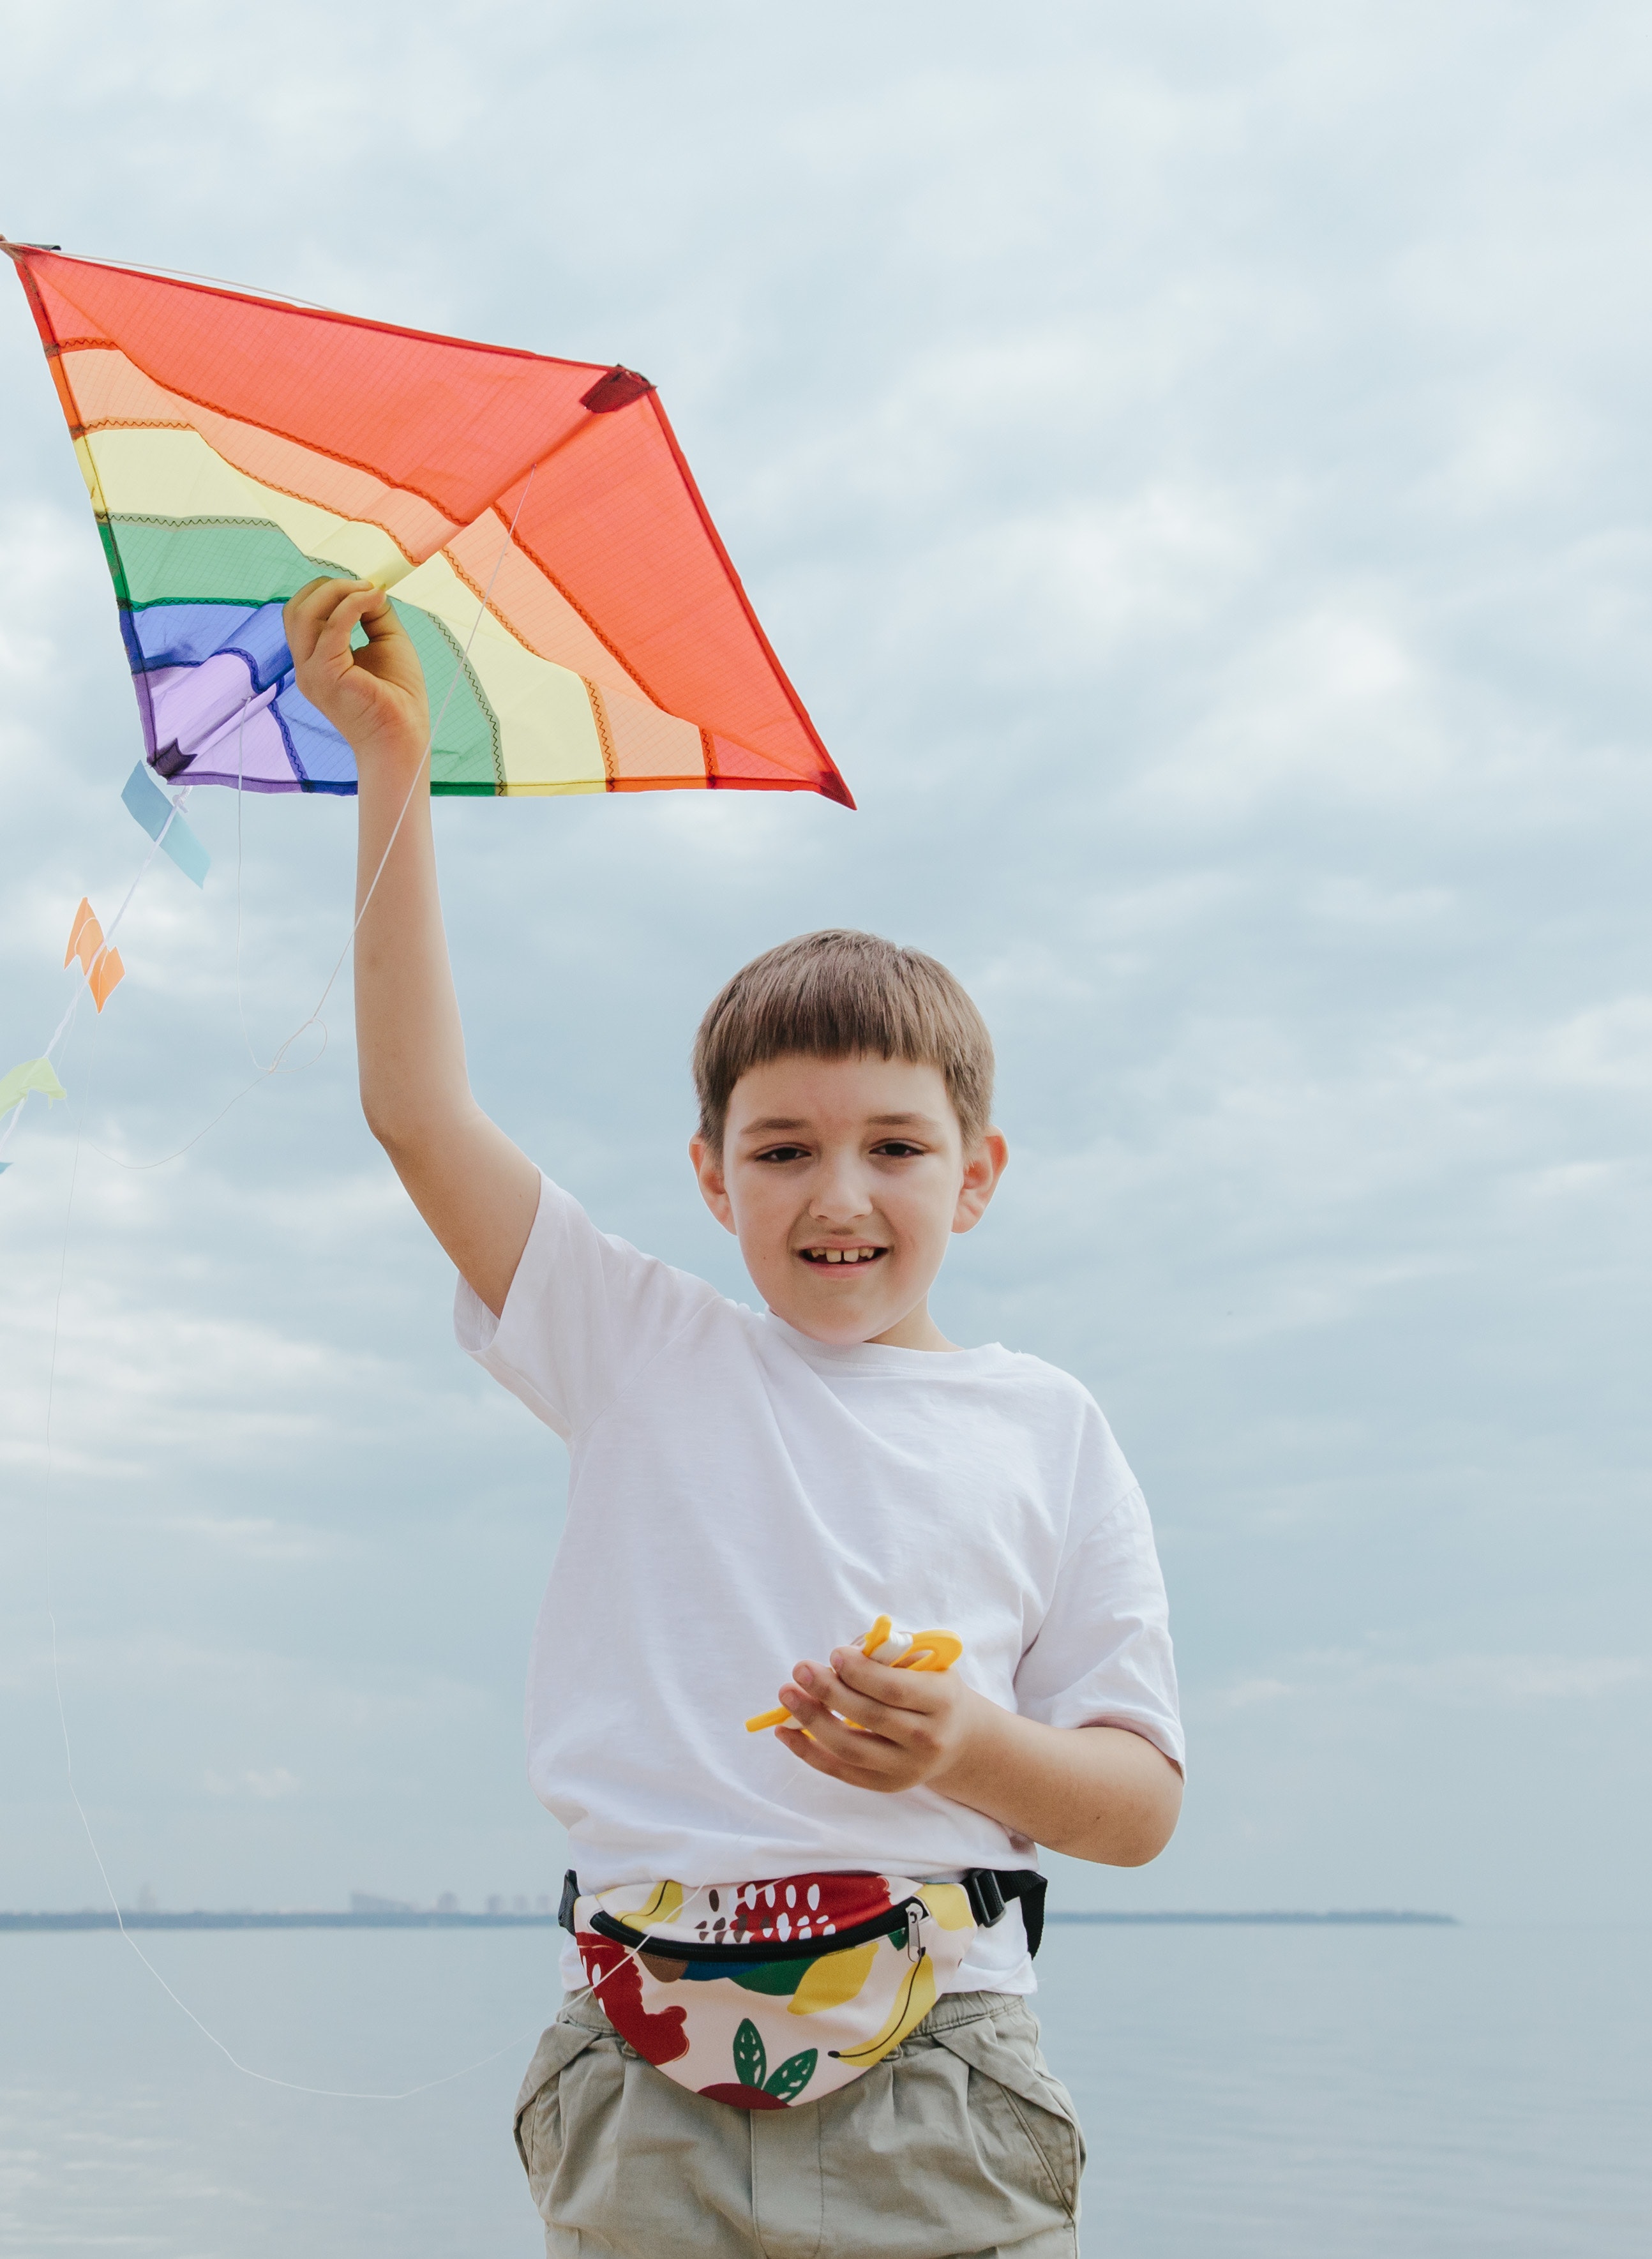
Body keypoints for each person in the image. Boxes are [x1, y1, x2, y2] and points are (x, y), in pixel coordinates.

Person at [289, 576, 1185, 2259]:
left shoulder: (1045, 1424)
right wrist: (391, 762)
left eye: (894, 1146)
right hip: (644, 2068)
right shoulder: (637, 1347)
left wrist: (968, 1748)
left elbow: (1135, 1803)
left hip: (944, 2062)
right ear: (709, 1176)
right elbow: (414, 1114)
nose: (837, 1192)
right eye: (780, 1148)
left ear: (975, 1175)